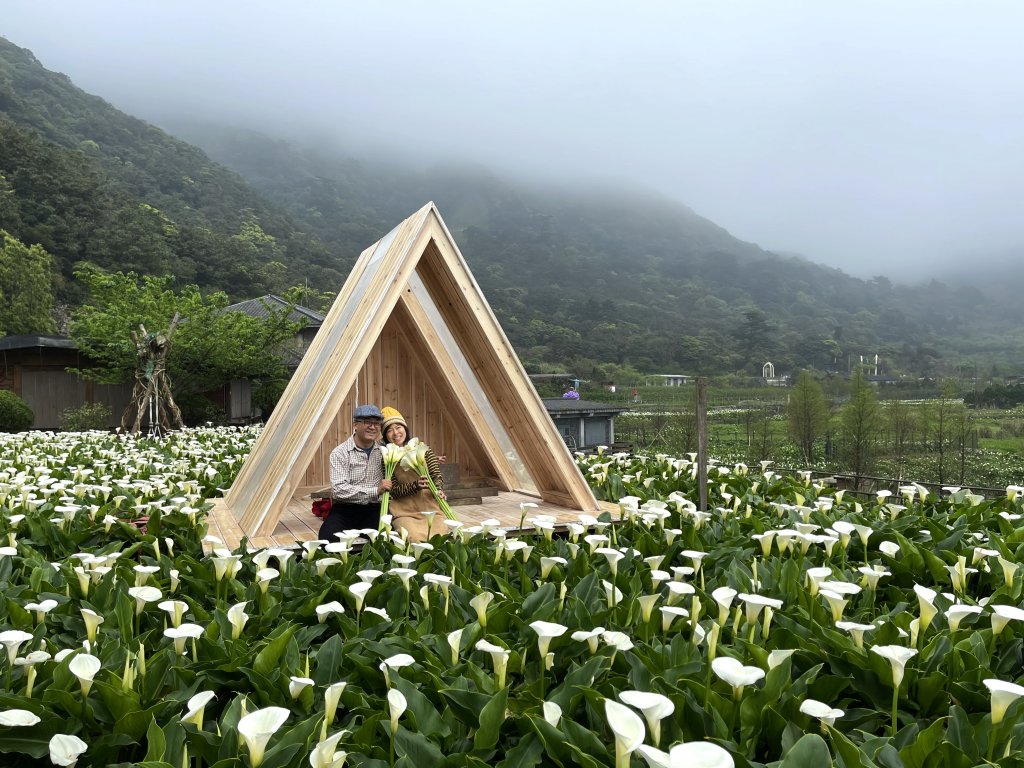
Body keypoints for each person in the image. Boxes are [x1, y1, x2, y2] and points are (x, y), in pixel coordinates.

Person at [319, 404, 410, 541]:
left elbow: (406, 453)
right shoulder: (340, 453)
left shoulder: (385, 451)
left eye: (376, 423)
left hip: (374, 509)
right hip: (345, 509)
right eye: (367, 422)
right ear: (355, 425)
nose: (372, 427)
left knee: (388, 539)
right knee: (327, 538)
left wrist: (427, 459)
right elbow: (339, 490)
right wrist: (375, 490)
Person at [380, 406, 446, 542]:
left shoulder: (423, 449)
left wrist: (438, 489)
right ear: (385, 436)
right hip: (405, 513)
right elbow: (395, 491)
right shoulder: (388, 458)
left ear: (405, 429)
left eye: (398, 427)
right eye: (389, 430)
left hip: (431, 509)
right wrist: (416, 485)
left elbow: (436, 476)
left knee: (440, 539)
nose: (395, 433)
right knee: (414, 538)